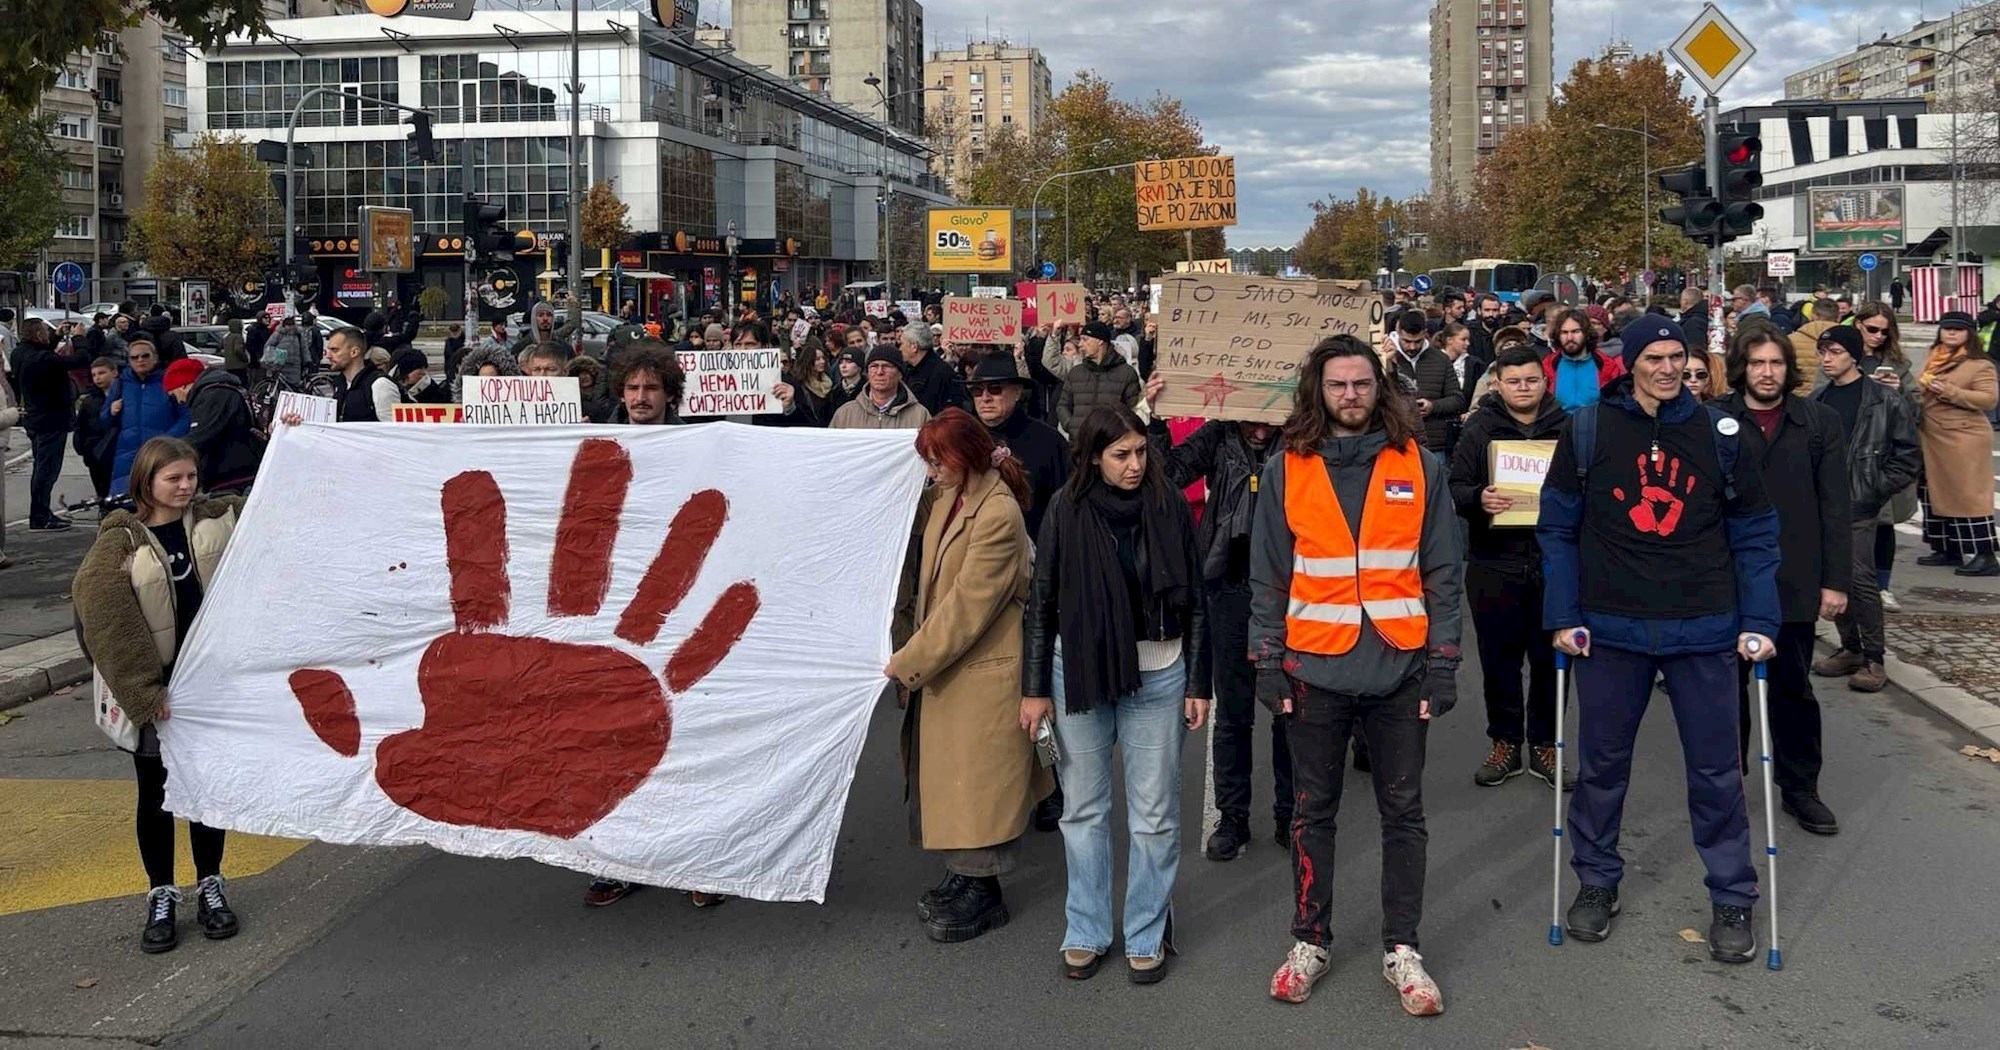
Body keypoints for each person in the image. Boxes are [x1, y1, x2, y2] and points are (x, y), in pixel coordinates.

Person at [1538, 315, 1780, 963]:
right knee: (1602, 767)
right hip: (1609, 629)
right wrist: (1563, 615)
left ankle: (1732, 893)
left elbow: (1756, 534)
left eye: (1679, 357)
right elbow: (1556, 528)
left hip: (1703, 627)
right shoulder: (1588, 431)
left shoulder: (1720, 437)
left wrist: (1759, 622)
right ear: (1632, 363)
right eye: (1657, 358)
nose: (1670, 369)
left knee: (1716, 771)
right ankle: (1596, 880)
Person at [1249, 335, 1459, 1015]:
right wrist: (1265, 659)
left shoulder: (1420, 465)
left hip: (1401, 670)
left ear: (1380, 388)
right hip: (1314, 669)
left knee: (1405, 814)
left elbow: (1442, 573)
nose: (1350, 395)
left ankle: (1403, 947)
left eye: (1362, 383)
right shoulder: (1287, 469)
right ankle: (1310, 939)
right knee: (1313, 814)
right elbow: (1269, 575)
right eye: (1337, 385)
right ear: (1319, 391)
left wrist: (1445, 663)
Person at [1022, 404, 1209, 984]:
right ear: (1092, 458)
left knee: (1153, 816)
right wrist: (1034, 690)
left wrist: (1199, 683)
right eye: (1120, 455)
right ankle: (1086, 928)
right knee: (1083, 810)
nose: (1134, 465)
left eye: (1140, 452)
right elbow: (1042, 602)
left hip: (1159, 673)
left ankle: (1147, 930)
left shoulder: (1170, 506)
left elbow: (1196, 600)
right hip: (1078, 672)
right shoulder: (1065, 509)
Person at [72, 437, 244, 954]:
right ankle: (161, 893)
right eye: (174, 478)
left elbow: (282, 504)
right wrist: (145, 692)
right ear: (147, 482)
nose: (185, 486)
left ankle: (210, 883)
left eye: (191, 476)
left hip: (210, 687)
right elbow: (102, 620)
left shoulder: (220, 518)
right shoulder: (118, 542)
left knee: (207, 791)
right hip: (158, 692)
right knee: (157, 794)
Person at [886, 409, 1049, 943]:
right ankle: (964, 875)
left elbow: (966, 609)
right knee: (956, 779)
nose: (931, 472)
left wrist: (908, 661)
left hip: (979, 668)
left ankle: (984, 890)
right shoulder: (949, 499)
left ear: (964, 457)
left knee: (978, 782)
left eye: (938, 462)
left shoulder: (997, 513)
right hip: (953, 664)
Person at [1138, 378, 1291, 860]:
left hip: (1291, 589)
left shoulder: (1303, 437)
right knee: (1234, 711)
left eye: (1269, 417)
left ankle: (1291, 813)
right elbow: (1167, 472)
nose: (1260, 429)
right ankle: (1234, 817)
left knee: (1292, 710)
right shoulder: (1219, 434)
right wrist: (1156, 417)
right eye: (1251, 416)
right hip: (1228, 586)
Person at [1717, 324, 1851, 836]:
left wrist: (1834, 581)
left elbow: (1835, 507)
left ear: (1787, 368)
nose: (1767, 373)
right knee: (1725, 695)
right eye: (1757, 364)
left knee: (1793, 691)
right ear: (1741, 369)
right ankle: (1727, 786)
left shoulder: (1818, 422)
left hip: (1793, 577)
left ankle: (1800, 788)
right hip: (1727, 580)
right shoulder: (1716, 420)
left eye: (1775, 363)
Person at [1450, 345, 1569, 788]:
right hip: (1493, 561)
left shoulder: (1567, 426)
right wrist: (1479, 498)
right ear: (1497, 384)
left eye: (1532, 380)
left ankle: (1545, 744)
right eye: (1514, 381)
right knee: (1498, 660)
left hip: (1552, 562)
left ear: (1545, 381)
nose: (1524, 388)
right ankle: (1504, 743)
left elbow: (1585, 486)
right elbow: (1455, 486)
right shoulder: (1480, 428)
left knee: (1551, 659)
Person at [1810, 326, 1921, 695]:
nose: (1827, 358)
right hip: (1821, 504)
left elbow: (1907, 455)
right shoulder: (1819, 399)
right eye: (1823, 351)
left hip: (1859, 503)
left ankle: (1874, 657)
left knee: (1859, 580)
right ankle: (1851, 647)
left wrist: (1875, 488)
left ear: (1854, 355)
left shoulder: (1883, 399)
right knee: (1831, 579)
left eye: (1835, 351)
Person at [1913, 312, 2000, 576]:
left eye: (1957, 329)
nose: (1950, 333)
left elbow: (1988, 399)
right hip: (1932, 435)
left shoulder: (1979, 364)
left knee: (1967, 497)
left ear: (1969, 334)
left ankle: (1985, 555)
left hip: (1963, 437)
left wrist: (1950, 392)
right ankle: (1946, 548)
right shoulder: (1935, 357)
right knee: (1932, 493)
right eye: (1946, 328)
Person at [10, 317, 96, 528]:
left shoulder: (20, 354)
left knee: (41, 468)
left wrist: (57, 335)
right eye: (46, 333)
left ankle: (41, 512)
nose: (48, 336)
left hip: (35, 417)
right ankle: (40, 516)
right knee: (46, 471)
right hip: (51, 419)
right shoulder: (44, 359)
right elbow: (81, 359)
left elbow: (43, 353)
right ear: (39, 335)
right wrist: (78, 339)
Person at [105, 339, 190, 502]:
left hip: (161, 453)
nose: (140, 360)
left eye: (145, 356)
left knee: (161, 502)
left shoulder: (168, 381)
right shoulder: (122, 383)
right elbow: (104, 417)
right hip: (127, 455)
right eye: (134, 357)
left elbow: (186, 416)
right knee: (126, 505)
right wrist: (111, 411)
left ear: (155, 358)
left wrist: (167, 439)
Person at [165, 359, 264, 494]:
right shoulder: (219, 391)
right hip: (236, 474)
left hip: (233, 479)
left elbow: (200, 437)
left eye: (173, 394)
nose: (178, 401)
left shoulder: (214, 395)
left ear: (182, 385)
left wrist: (164, 455)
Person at [1387, 311, 1465, 453]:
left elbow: (1457, 399)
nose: (1412, 347)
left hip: (1435, 442)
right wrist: (1389, 366)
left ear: (1425, 333)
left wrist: (1433, 406)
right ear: (1398, 332)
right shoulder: (1387, 359)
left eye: (1417, 341)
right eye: (1407, 341)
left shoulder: (1441, 359)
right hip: (1396, 440)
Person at [1054, 322, 1142, 435]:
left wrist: (1118, 433)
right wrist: (1071, 425)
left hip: (1110, 444)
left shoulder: (1126, 373)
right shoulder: (1076, 372)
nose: (1080, 344)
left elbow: (1133, 410)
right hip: (1079, 443)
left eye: (1085, 339)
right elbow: (1063, 405)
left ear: (1100, 341)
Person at [829, 346, 932, 430]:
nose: (879, 372)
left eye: (887, 366)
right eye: (874, 366)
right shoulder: (845, 414)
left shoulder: (920, 415)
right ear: (867, 372)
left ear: (900, 374)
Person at [1543, 308, 1625, 410]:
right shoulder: (1548, 365)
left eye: (1575, 331)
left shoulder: (1607, 366)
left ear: (1586, 333)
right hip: (1558, 424)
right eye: (1564, 332)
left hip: (1595, 423)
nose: (1570, 338)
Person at [73, 357, 121, 502]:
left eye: (102, 373)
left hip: (119, 452)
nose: (98, 378)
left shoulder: (125, 396)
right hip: (97, 455)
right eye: (94, 375)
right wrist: (85, 451)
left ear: (114, 373)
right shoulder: (89, 401)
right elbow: (81, 427)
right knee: (103, 494)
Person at [568, 354, 615, 423]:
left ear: (594, 374)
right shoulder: (573, 398)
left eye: (587, 373)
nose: (583, 377)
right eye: (580, 374)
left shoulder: (607, 394)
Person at [219, 319, 250, 385]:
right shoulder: (238, 337)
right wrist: (245, 358)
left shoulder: (227, 337)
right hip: (238, 365)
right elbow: (238, 349)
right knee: (242, 383)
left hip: (228, 365)